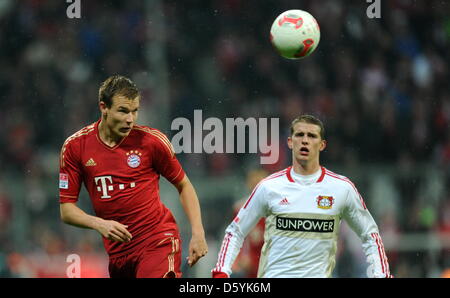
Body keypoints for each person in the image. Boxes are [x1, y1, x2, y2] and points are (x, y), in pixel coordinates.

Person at [59, 75, 208, 278]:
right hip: (119, 255)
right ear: (104, 107)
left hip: (157, 241)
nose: (130, 119)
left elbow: (184, 185)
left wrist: (198, 233)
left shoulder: (151, 142)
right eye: (123, 111)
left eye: (134, 111)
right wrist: (99, 224)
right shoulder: (76, 147)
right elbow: (67, 209)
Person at [212, 114, 391, 278]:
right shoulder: (269, 187)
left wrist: (381, 274)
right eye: (299, 135)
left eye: (312, 136)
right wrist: (221, 272)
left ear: (322, 145)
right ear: (290, 142)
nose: (305, 140)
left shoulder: (341, 188)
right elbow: (235, 231)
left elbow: (370, 234)